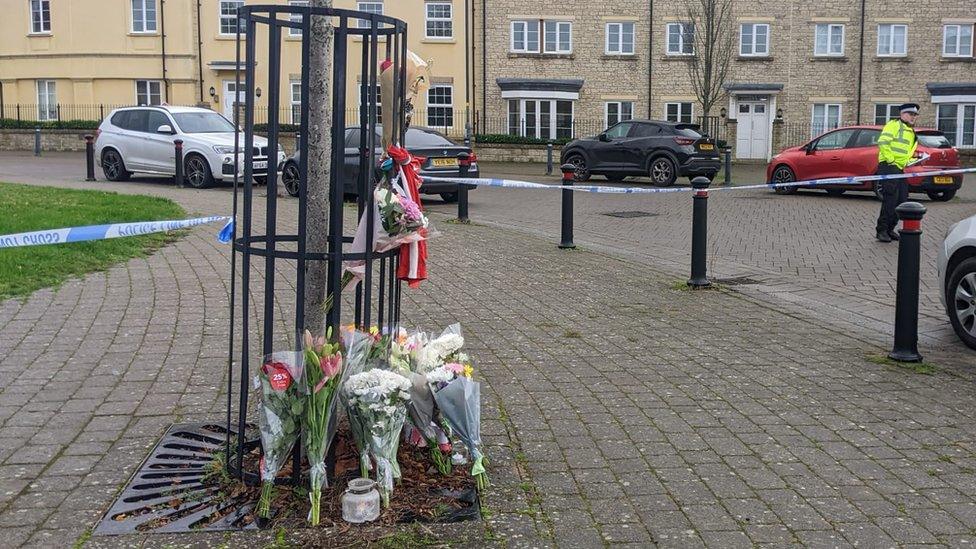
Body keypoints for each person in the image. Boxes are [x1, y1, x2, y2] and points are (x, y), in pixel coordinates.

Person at [875, 103, 920, 243]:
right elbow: (883, 142)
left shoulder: (911, 131)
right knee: (890, 200)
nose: (913, 117)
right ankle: (881, 230)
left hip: (900, 168)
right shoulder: (894, 125)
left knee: (902, 199)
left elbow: (905, 151)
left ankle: (890, 229)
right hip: (889, 166)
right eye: (911, 114)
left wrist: (912, 159)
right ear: (902, 114)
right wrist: (891, 159)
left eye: (915, 115)